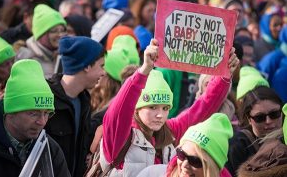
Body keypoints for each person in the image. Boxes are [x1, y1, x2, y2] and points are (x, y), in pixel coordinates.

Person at [99, 39, 239, 177]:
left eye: (165, 108)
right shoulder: (120, 137)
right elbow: (118, 112)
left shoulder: (170, 131)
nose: (160, 115)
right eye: (153, 107)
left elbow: (203, 107)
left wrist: (224, 74)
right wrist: (144, 70)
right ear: (136, 108)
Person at [0, 59, 70, 177]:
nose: (42, 122)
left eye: (47, 113)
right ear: (11, 111)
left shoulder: (50, 149)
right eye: (33, 113)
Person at [45, 36, 105, 177]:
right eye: (101, 66)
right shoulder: (48, 101)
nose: (103, 72)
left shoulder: (83, 99)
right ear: (87, 66)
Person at [137, 113, 233, 177]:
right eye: (181, 154)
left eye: (195, 161)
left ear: (212, 167)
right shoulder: (152, 174)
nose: (185, 164)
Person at [226, 86, 284, 176]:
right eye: (259, 117)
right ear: (249, 119)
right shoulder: (237, 146)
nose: (268, 121)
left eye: (274, 114)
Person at [16, 4, 67, 78]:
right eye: (54, 31)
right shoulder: (26, 58)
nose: (60, 35)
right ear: (41, 34)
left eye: (62, 30)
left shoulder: (64, 54)